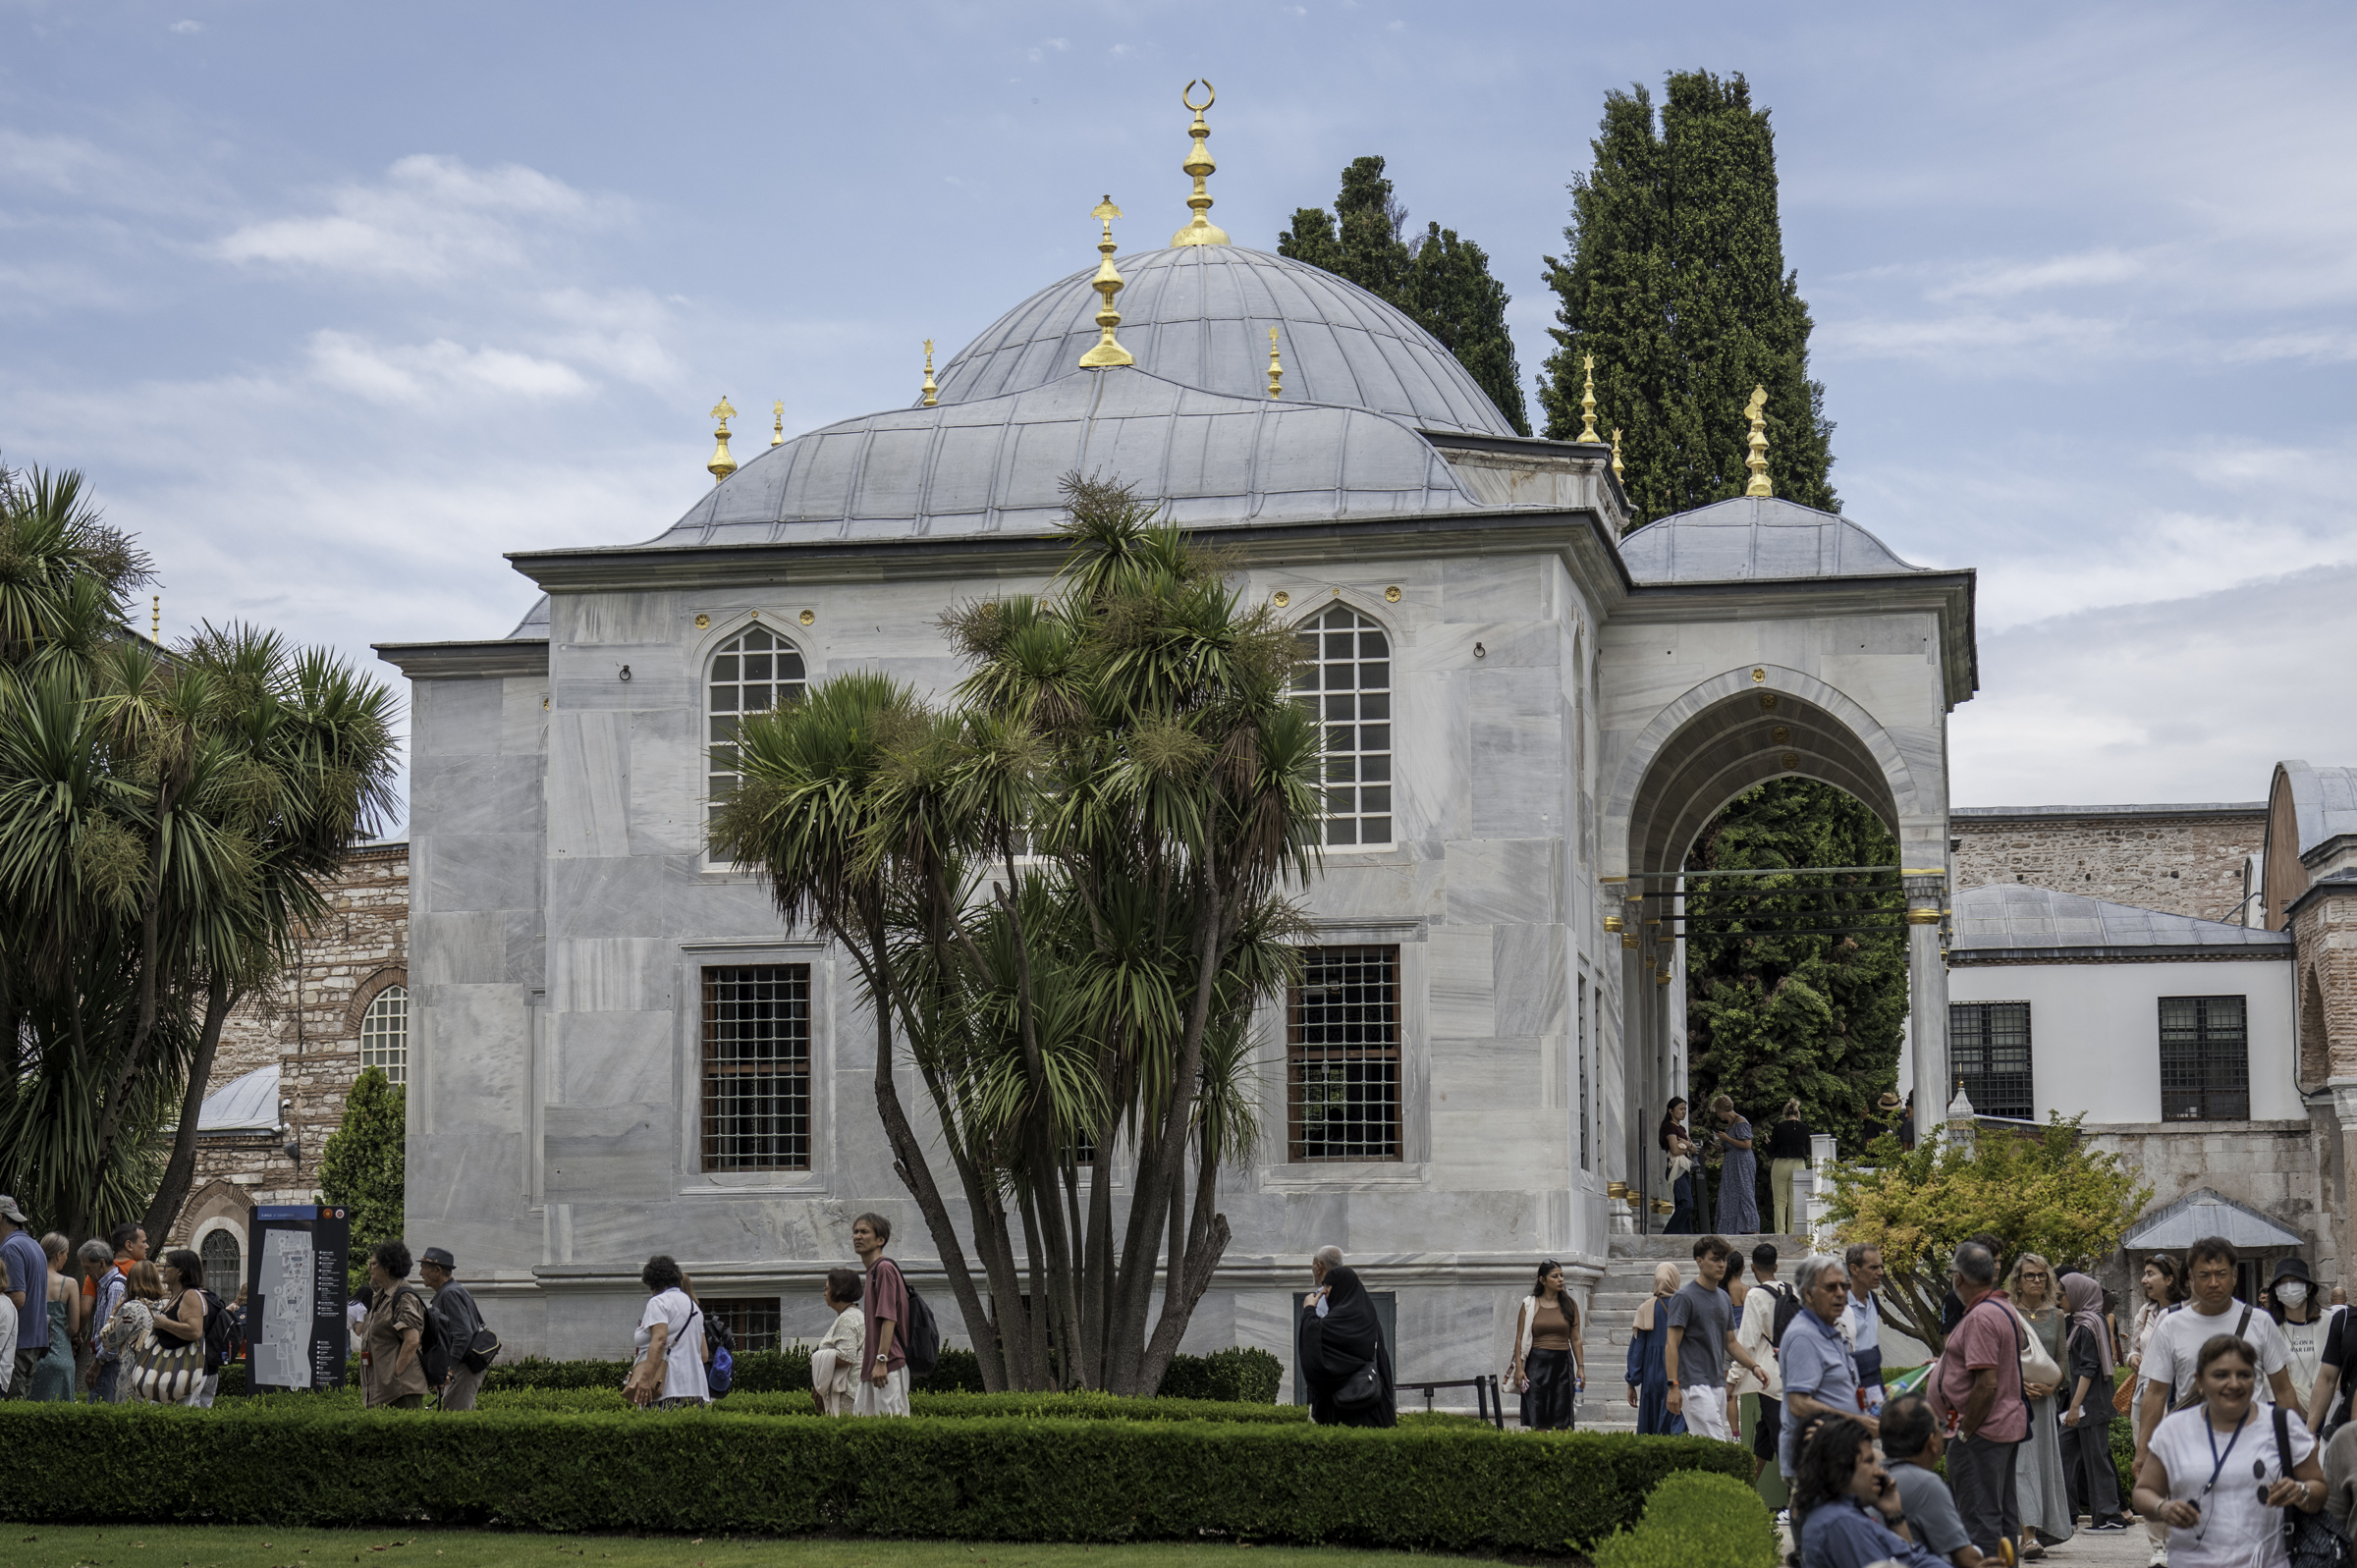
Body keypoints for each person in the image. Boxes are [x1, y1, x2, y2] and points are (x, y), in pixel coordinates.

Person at [2133, 1333, 2324, 1568]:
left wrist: (2301, 1491)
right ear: (2200, 1381)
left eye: (2243, 1374)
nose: (2234, 1384)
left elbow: (2319, 1490)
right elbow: (2144, 1492)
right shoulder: (2174, 1429)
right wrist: (2162, 1507)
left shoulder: (2283, 1424)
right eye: (2221, 1375)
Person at [2140, 1236, 2296, 1479]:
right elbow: (2156, 1392)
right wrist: (2143, 1451)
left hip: (2254, 1448)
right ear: (2190, 1279)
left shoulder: (2260, 1322)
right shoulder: (2171, 1325)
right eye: (2204, 1275)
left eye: (2221, 1274)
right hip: (2191, 1450)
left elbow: (2283, 1390)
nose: (2213, 1283)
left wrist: (2294, 1445)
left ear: (2235, 1277)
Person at [1932, 1241, 2026, 1560]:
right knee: (2001, 1516)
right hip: (2001, 1427)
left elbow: (1987, 1384)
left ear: (1958, 1278)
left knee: (1980, 1521)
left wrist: (1965, 1431)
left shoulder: (1982, 1317)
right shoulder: (2000, 1309)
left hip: (1983, 1432)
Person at [1794, 1415, 1949, 1568]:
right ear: (1840, 1465)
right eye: (1869, 1461)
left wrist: (1894, 1516)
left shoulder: (1841, 1515)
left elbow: (1909, 1559)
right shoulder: (1842, 1523)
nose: (1880, 1472)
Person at [1666, 1233, 1767, 1442]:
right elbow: (1671, 1344)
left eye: (1724, 1260)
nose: (1721, 1265)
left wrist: (1754, 1367)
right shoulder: (1684, 1298)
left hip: (1717, 1382)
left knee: (1707, 1446)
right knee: (1717, 1442)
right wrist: (1673, 1386)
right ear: (1699, 1261)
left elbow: (1730, 1342)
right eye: (1715, 1259)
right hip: (1692, 1383)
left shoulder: (1723, 1298)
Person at [2007, 1253, 2074, 1555]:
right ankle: (2028, 1535)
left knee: (2043, 1466)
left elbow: (2063, 1361)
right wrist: (2017, 1385)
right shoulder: (2006, 1313)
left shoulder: (2057, 1315)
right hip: (2014, 1401)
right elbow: (1999, 1359)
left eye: (2041, 1275)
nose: (2036, 1280)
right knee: (2022, 1467)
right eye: (2029, 1275)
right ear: (2017, 1282)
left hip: (2045, 1404)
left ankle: (2041, 1531)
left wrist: (2052, 1386)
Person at [1781, 1253, 1870, 1482]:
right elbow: (1799, 1404)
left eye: (1844, 1286)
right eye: (1831, 1287)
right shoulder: (1804, 1335)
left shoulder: (1829, 1329)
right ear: (1808, 1293)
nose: (1841, 1294)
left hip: (1837, 1456)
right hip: (1817, 1462)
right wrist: (1859, 1421)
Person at [2059, 1271, 2131, 1531]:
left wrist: (2076, 1406)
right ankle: (2066, 1513)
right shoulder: (2080, 1322)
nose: (2059, 1297)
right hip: (2081, 1404)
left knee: (2096, 1459)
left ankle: (2109, 1515)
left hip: (2089, 1405)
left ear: (2078, 1294)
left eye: (2064, 1292)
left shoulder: (2088, 1325)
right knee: (2063, 1451)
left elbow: (2088, 1369)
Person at [1884, 1393, 1986, 1568]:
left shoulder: (1877, 1471)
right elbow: (1967, 1560)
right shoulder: (1926, 1484)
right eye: (1940, 1426)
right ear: (1931, 1441)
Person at [1300, 1264, 1396, 1427]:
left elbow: (1313, 1355)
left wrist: (1309, 1309)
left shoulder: (1334, 1325)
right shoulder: (1369, 1319)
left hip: (1342, 1414)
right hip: (1374, 1410)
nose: (1325, 1297)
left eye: (1327, 1292)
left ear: (1338, 1291)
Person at [1735, 1243, 1791, 1492]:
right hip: (1792, 1372)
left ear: (1752, 1267)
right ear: (1777, 1266)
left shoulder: (1755, 1296)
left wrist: (1732, 1379)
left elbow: (1746, 1342)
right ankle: (1744, 1492)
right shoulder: (1792, 1290)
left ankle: (1798, 1500)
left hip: (1769, 1379)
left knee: (1781, 1439)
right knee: (1765, 1437)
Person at [846, 1212, 910, 1418]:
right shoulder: (873, 1271)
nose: (857, 1236)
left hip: (887, 1365)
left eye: (864, 1232)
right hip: (874, 1367)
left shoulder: (884, 1269)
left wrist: (881, 1360)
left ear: (880, 1240)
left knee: (890, 1430)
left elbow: (889, 1317)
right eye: (855, 1232)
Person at [623, 1253, 707, 1409]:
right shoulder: (694, 1307)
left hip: (666, 1389)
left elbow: (660, 1340)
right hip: (696, 1390)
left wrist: (646, 1379)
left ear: (654, 1284)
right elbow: (704, 1355)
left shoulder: (659, 1302)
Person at [1510, 1259, 1583, 1431]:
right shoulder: (1529, 1305)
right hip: (1536, 1365)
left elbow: (1576, 1339)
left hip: (1562, 1365)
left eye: (1562, 1276)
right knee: (1538, 1417)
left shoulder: (1570, 1305)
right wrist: (1519, 1368)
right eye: (1555, 1276)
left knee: (1562, 1417)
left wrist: (1581, 1367)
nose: (1560, 1280)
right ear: (1542, 1280)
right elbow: (1520, 1338)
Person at [359, 1241, 430, 1410]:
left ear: (388, 1267)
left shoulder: (403, 1298)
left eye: (374, 1264)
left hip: (400, 1392)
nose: (370, 1268)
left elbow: (412, 1340)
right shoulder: (382, 1295)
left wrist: (395, 1374)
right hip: (382, 1390)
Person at [417, 1247, 486, 1410]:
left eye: (423, 1267)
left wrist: (449, 1370)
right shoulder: (452, 1291)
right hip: (464, 1367)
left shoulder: (450, 1294)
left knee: (454, 1422)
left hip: (463, 1367)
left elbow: (463, 1334)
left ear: (437, 1270)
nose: (420, 1273)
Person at [148, 1248, 217, 1406]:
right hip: (182, 1371)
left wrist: (164, 1323)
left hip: (184, 1372)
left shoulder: (190, 1295)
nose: (163, 1270)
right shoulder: (182, 1295)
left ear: (179, 1271)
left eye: (167, 1266)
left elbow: (194, 1331)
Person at [84, 1222, 143, 1404]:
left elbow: (113, 1333)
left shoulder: (115, 1286)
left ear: (101, 1263)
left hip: (109, 1362)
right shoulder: (107, 1284)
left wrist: (98, 1362)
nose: (86, 1273)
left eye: (87, 1268)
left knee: (98, 1409)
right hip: (108, 1360)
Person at [1627, 1261, 1686, 1435]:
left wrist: (1632, 1382)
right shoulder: (1683, 1305)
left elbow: (1637, 1350)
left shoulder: (1646, 1308)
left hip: (1652, 1372)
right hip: (1677, 1369)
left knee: (1651, 1421)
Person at [0, 1196, 51, 1398]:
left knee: (10, 1409)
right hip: (34, 1340)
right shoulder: (33, 1244)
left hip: (17, 1343)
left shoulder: (10, 1248)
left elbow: (18, 1298)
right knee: (22, 1407)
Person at [2269, 1258, 2328, 1417]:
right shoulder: (2269, 1328)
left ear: (2308, 1288)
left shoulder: (2330, 1322)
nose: (2288, 1287)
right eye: (2282, 1283)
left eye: (2294, 1281)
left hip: (2327, 1413)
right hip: (2287, 1413)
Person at [98, 1261, 163, 1403]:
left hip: (132, 1375)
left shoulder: (131, 1308)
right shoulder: (162, 1307)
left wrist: (112, 1314)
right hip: (155, 1373)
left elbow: (107, 1340)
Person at [27, 1234, 79, 1401]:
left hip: (34, 1354)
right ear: (58, 1255)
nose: (66, 1258)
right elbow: (74, 1327)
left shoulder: (30, 1280)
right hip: (61, 1354)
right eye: (66, 1254)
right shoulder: (69, 1284)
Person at [809, 1268, 864, 1416]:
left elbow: (846, 1356)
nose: (824, 1293)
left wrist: (816, 1360)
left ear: (838, 1291)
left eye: (827, 1289)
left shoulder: (847, 1318)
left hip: (846, 1396)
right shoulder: (854, 1314)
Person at [1846, 1243, 1888, 1411]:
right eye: (1873, 1267)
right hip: (1848, 1383)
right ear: (1854, 1269)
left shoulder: (1873, 1299)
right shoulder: (1837, 1307)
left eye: (1881, 1267)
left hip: (1873, 1378)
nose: (1880, 1272)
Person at [1710, 1096, 1759, 1236]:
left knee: (1745, 1193)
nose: (1718, 1116)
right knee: (1730, 1195)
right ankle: (1734, 1229)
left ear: (1721, 1111)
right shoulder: (1730, 1125)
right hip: (1732, 1163)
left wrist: (1727, 1139)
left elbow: (1747, 1145)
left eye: (1718, 1112)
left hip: (1742, 1163)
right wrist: (1722, 1146)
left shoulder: (1741, 1122)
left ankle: (1753, 1228)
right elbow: (1733, 1145)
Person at [1767, 1101, 1812, 1235]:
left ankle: (1780, 1233)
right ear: (1798, 1113)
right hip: (1798, 1164)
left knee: (1779, 1202)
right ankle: (1793, 1233)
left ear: (1784, 1115)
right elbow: (1808, 1149)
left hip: (1780, 1164)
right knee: (1795, 1201)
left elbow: (1771, 1151)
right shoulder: (1804, 1128)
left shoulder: (1778, 1128)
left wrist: (1767, 1143)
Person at [1661, 1099, 1700, 1235]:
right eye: (1680, 1109)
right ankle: (1668, 1234)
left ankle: (1684, 1235)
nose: (1684, 1112)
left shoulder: (1681, 1129)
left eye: (1685, 1109)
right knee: (1686, 1203)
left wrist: (1687, 1145)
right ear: (1671, 1111)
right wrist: (1688, 1146)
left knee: (1683, 1205)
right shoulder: (1670, 1127)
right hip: (1675, 1168)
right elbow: (1675, 1150)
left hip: (1684, 1168)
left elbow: (1695, 1148)